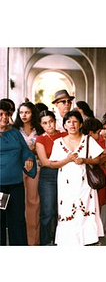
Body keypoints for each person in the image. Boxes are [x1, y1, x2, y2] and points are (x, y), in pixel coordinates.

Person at [49, 110, 104, 245]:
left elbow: (98, 160)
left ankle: (88, 240)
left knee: (85, 211)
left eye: (75, 121)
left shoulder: (88, 140)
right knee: (68, 210)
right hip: (66, 183)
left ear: (80, 124)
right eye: (69, 122)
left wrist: (85, 160)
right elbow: (52, 164)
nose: (72, 125)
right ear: (65, 125)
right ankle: (69, 241)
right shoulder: (58, 142)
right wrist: (67, 160)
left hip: (85, 183)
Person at [0, 100, 37, 245]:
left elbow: (26, 151)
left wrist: (28, 159)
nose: (4, 117)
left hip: (16, 185)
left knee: (18, 220)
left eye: (6, 114)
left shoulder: (15, 132)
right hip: (0, 187)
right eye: (0, 114)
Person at [14, 101, 44, 245]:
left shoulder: (39, 130)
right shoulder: (14, 129)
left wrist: (33, 150)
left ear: (33, 113)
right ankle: (20, 240)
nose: (24, 115)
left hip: (35, 169)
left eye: (27, 112)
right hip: (17, 169)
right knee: (18, 204)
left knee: (33, 203)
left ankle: (33, 242)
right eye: (21, 112)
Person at [35, 110, 67, 245]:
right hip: (48, 176)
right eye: (45, 123)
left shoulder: (64, 135)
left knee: (63, 209)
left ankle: (61, 240)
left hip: (66, 174)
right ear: (41, 125)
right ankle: (46, 242)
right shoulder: (40, 139)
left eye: (51, 121)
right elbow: (45, 162)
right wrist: (67, 160)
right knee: (48, 211)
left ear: (55, 121)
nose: (49, 125)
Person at [81, 117, 106, 229]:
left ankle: (96, 228)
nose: (99, 135)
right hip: (90, 176)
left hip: (99, 176)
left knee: (98, 205)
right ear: (90, 133)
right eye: (97, 133)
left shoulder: (102, 141)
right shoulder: (83, 142)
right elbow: (101, 158)